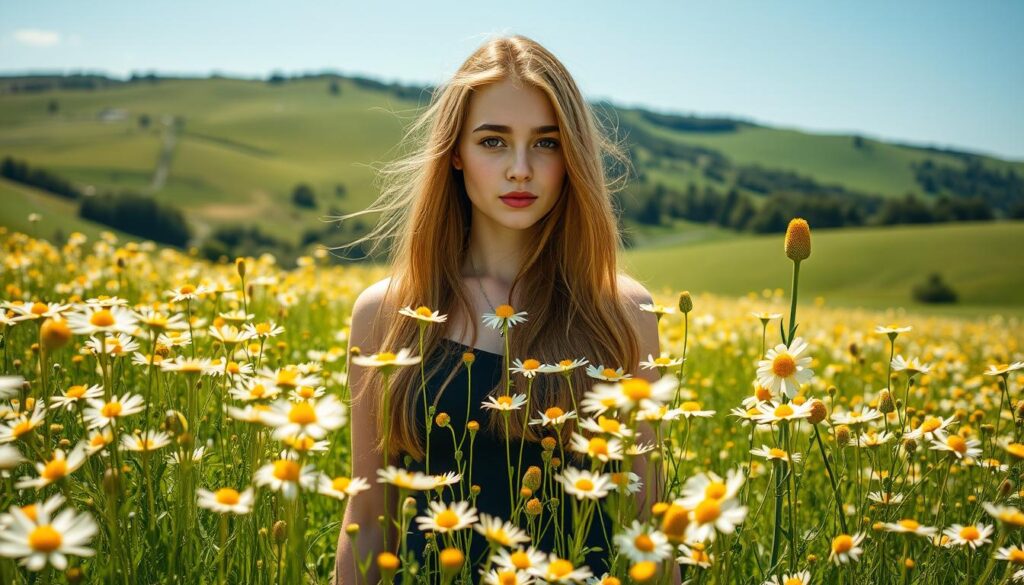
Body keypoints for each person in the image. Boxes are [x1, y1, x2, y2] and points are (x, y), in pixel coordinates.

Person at [333, 34, 678, 584]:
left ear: (572, 158)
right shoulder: (387, 313)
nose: (521, 168)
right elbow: (370, 517)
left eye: (546, 143)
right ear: (454, 154)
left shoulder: (622, 311)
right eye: (493, 141)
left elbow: (650, 520)